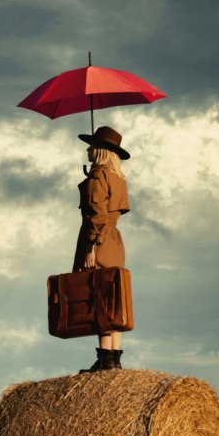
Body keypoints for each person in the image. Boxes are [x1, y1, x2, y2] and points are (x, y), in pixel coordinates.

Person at [72, 125, 131, 373]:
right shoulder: (118, 178)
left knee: (98, 299)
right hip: (115, 241)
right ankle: (112, 359)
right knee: (112, 300)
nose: (87, 149)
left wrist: (91, 247)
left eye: (91, 145)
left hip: (99, 241)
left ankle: (105, 360)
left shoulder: (98, 177)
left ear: (100, 151)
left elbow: (97, 214)